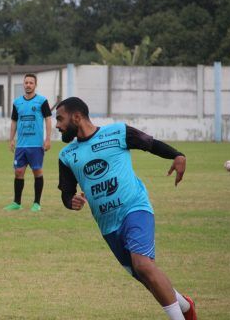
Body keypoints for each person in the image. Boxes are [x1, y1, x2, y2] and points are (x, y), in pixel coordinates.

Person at [55, 97, 196, 320]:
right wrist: (70, 201)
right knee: (145, 277)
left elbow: (150, 143)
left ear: (77, 116)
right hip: (108, 225)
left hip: (135, 208)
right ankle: (186, 307)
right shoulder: (66, 156)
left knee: (143, 265)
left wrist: (177, 154)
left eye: (60, 119)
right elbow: (66, 192)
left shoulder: (117, 132)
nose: (57, 125)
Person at [4, 74, 52, 212]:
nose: (28, 85)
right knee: (18, 172)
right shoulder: (17, 102)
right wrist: (11, 138)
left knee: (37, 171)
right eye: (26, 82)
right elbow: (14, 121)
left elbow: (48, 119)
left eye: (31, 83)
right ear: (23, 84)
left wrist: (48, 139)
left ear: (35, 85)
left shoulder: (42, 101)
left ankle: (37, 203)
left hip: (36, 145)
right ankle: (17, 202)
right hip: (21, 145)